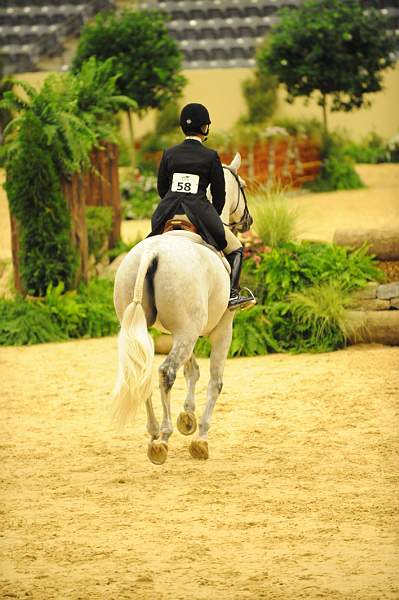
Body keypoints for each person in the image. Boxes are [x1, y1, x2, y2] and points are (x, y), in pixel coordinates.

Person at [149, 102, 256, 311]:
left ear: (183, 127)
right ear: (205, 128)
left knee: (149, 246)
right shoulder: (210, 156)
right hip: (199, 212)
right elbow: (219, 194)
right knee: (236, 249)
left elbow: (162, 189)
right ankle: (233, 295)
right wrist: (214, 216)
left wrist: (173, 201)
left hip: (167, 212)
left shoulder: (169, 153)